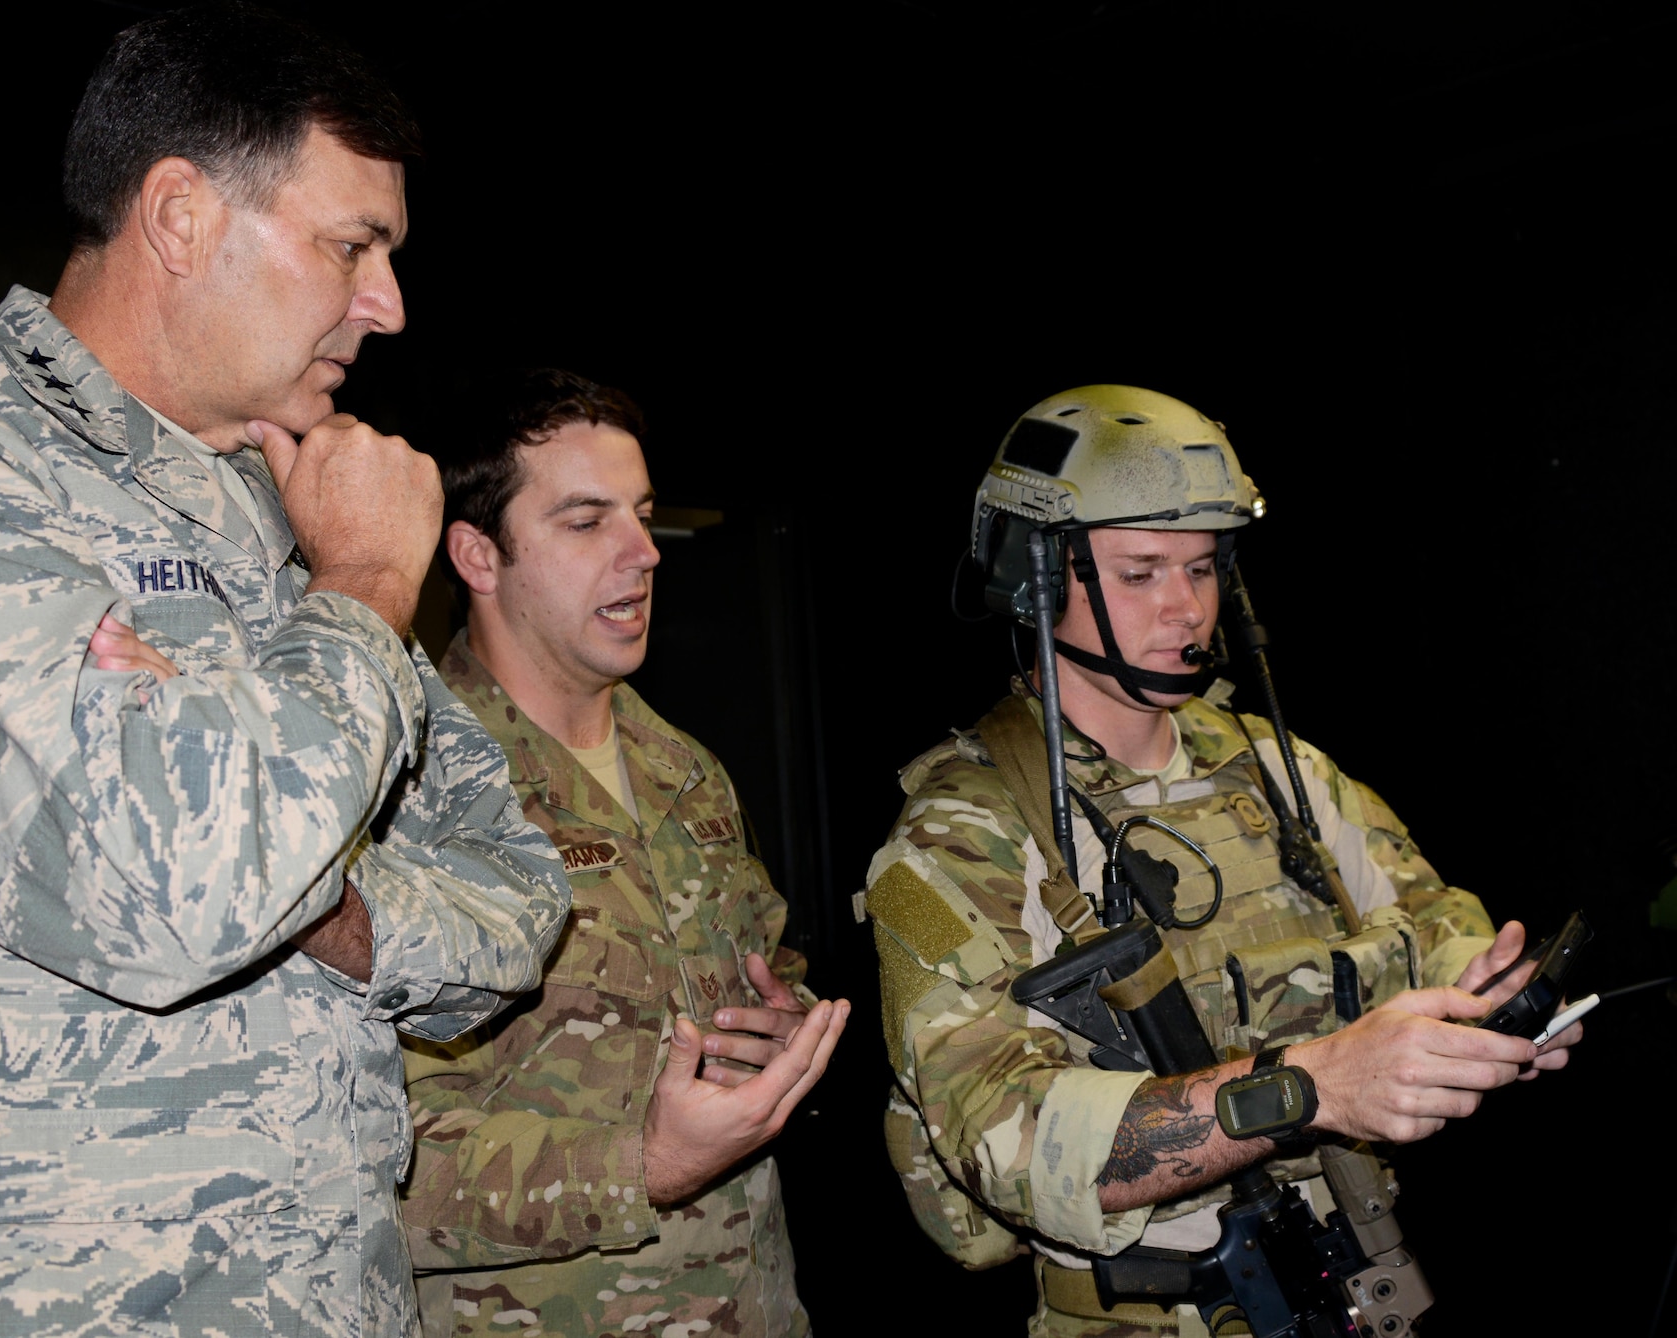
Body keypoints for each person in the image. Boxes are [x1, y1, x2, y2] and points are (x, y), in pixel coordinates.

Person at [0, 3, 570, 1338]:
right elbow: (180, 894)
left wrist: (319, 896)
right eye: (352, 246)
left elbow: (516, 905)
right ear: (180, 215)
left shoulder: (285, 511)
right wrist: (357, 595)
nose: (387, 305)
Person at [864, 384, 1582, 1335]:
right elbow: (1005, 1141)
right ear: (1032, 580)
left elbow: (1430, 920)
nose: (1185, 609)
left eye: (1202, 569)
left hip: (1349, 1282)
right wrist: (1315, 1083)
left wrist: (1479, 1001)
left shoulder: (1274, 768)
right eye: (1141, 572)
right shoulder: (957, 832)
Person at [398, 371, 849, 1338]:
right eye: (585, 521)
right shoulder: (409, 791)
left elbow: (765, 965)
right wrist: (641, 1163)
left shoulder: (684, 768)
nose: (644, 553)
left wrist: (779, 1031)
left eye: (641, 516)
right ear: (478, 554)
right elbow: (378, 1160)